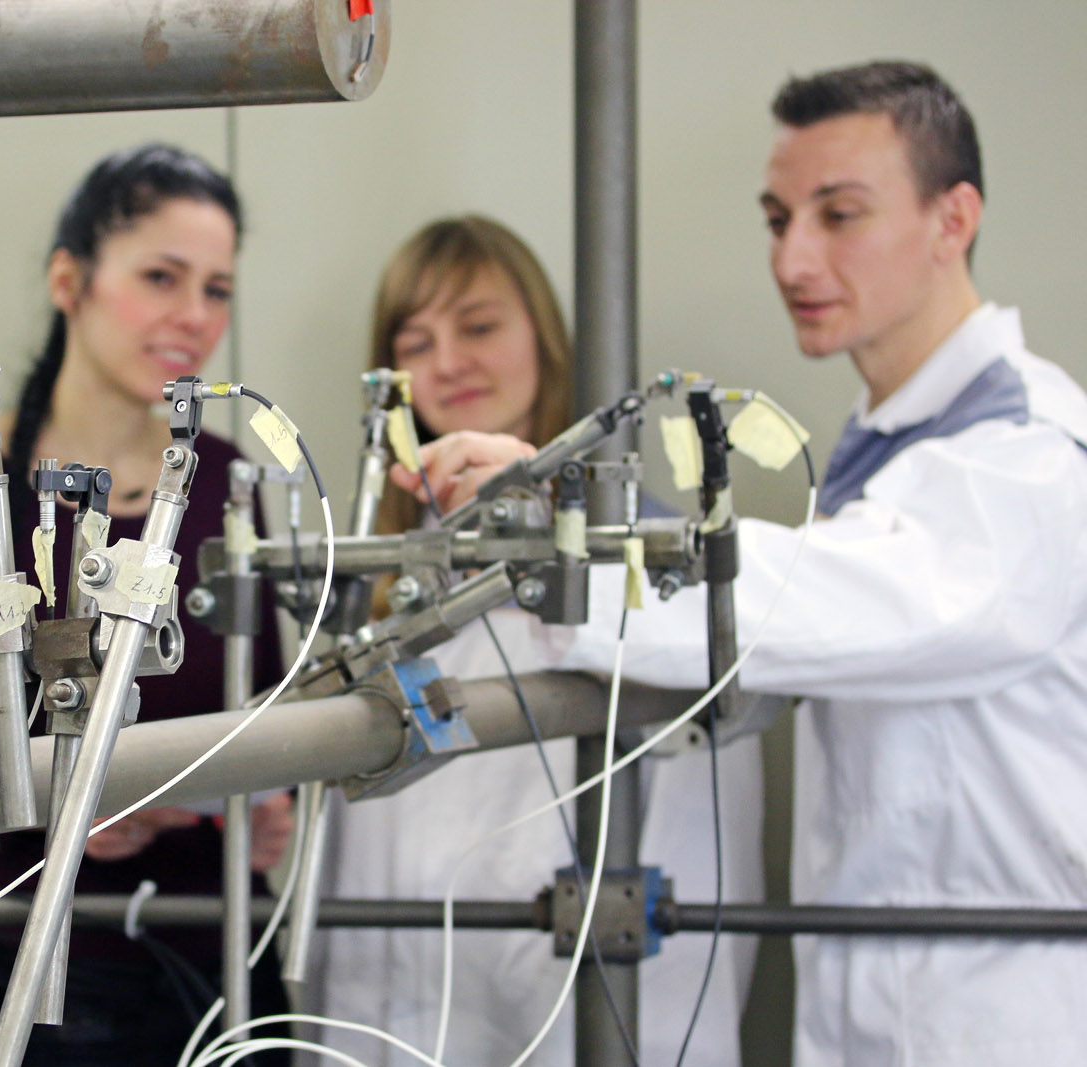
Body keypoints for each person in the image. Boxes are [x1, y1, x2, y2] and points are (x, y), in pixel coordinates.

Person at [395, 62, 1087, 1066]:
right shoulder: (895, 454)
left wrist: (572, 513)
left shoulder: (1028, 459)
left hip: (1006, 1019)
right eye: (777, 220)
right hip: (892, 1011)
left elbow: (840, 594)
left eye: (838, 214)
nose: (795, 257)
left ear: (953, 218)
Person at [0, 143, 293, 1065]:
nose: (193, 318)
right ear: (68, 278)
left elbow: (271, 705)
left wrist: (273, 798)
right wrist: (42, 793)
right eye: (161, 276)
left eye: (216, 288)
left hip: (232, 950)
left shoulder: (227, 480)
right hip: (51, 969)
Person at [317, 215, 762, 1065]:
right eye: (417, 339)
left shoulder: (647, 570)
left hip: (571, 1008)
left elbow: (701, 850)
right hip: (405, 1004)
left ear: (545, 340)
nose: (448, 359)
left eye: (479, 326)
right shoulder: (379, 581)